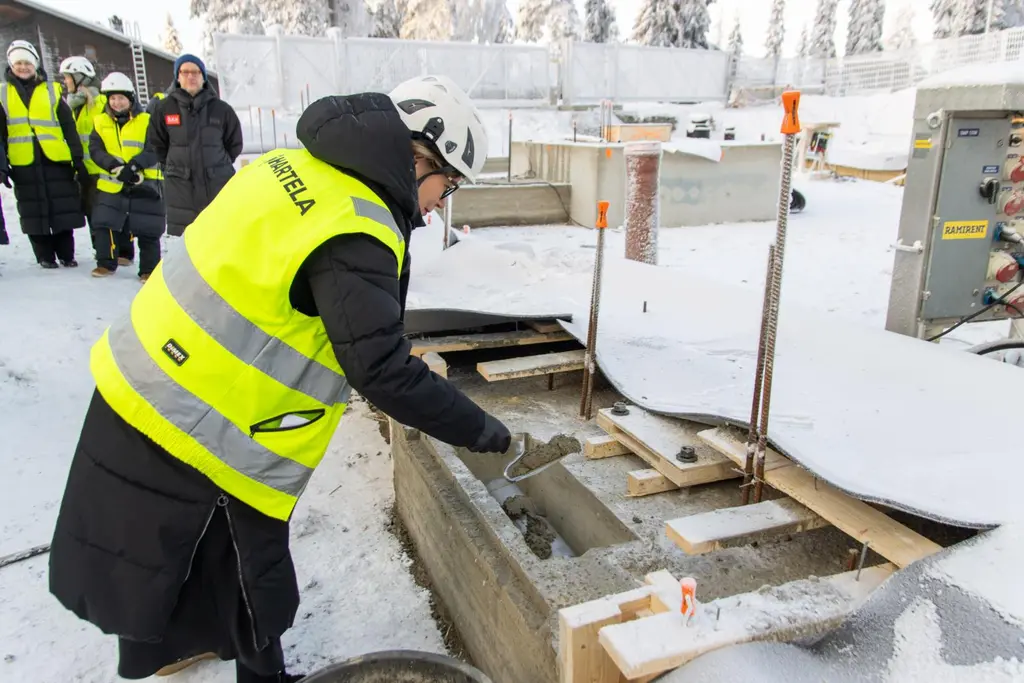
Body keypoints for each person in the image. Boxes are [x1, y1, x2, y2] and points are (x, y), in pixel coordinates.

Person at [48, 75, 511, 683]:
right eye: (444, 186)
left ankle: (171, 647)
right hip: (202, 419)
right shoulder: (359, 223)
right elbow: (379, 370)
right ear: (419, 156)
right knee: (249, 575)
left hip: (150, 374)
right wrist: (482, 428)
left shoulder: (295, 165)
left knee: (173, 556)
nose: (436, 205)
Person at [1, 40, 86, 267]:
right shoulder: (2, 94)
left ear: (36, 64)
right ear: (11, 65)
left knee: (62, 207)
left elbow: (69, 127)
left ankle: (67, 254)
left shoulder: (52, 90)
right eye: (18, 63)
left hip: (55, 159)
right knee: (32, 210)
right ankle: (45, 256)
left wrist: (77, 158)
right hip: (24, 161)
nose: (23, 67)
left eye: (27, 62)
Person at [147, 54, 242, 236]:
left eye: (196, 72)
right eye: (185, 72)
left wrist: (216, 165)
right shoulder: (164, 109)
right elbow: (157, 143)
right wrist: (175, 166)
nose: (191, 76)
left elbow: (234, 143)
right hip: (181, 188)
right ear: (178, 76)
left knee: (220, 236)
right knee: (188, 244)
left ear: (203, 77)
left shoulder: (221, 109)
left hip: (217, 184)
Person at [87, 72, 165, 280]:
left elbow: (155, 147)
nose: (117, 102)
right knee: (104, 223)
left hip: (144, 181)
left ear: (130, 98)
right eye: (112, 98)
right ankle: (106, 263)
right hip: (112, 182)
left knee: (147, 227)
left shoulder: (147, 120)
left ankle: (149, 269)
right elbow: (95, 149)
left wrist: (133, 167)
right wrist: (113, 166)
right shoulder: (100, 121)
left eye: (121, 98)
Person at [58, 56, 106, 229]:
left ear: (79, 78)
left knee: (106, 218)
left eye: (67, 77)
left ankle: (120, 255)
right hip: (83, 171)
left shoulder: (101, 103)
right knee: (91, 214)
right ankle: (101, 254)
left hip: (101, 172)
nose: (65, 82)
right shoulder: (71, 106)